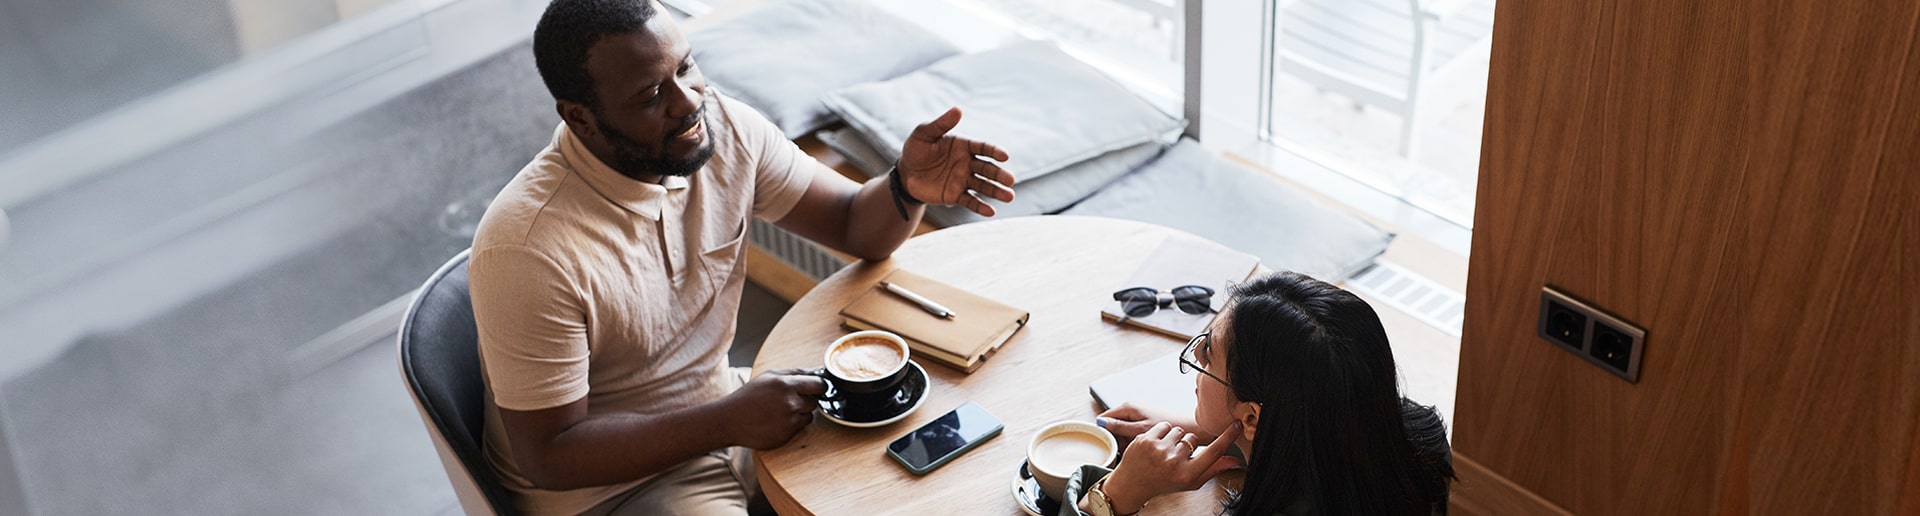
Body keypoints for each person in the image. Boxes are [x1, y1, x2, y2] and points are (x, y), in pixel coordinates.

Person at [465, 1, 1016, 514]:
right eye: (650, 95)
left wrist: (905, 185)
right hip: (613, 487)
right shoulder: (526, 251)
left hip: (723, 408)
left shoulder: (723, 128)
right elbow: (551, 454)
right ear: (580, 117)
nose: (688, 101)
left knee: (910, 476)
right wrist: (726, 422)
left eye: (686, 67)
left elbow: (854, 224)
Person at [1068, 272, 1455, 515]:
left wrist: (1120, 491)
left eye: (1207, 354)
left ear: (1252, 416)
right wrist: (1205, 430)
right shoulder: (1420, 439)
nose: (1197, 363)